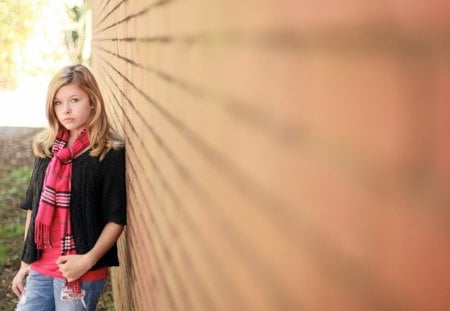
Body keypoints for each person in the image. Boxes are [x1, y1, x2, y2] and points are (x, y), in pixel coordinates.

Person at [11, 64, 127, 311]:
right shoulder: (46, 148)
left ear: (92, 102)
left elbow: (116, 218)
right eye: (58, 102)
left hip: (79, 272)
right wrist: (25, 263)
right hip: (41, 266)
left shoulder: (107, 152)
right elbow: (32, 207)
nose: (66, 109)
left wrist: (87, 260)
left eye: (74, 100)